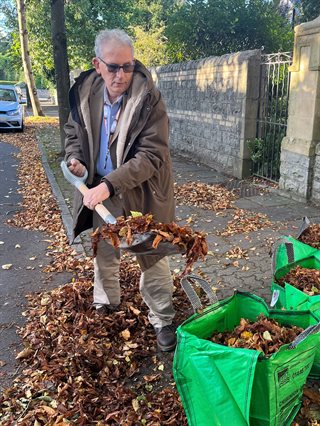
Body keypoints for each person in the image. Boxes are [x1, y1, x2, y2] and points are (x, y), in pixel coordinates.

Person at [64, 29, 176, 352]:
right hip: (100, 188)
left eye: (127, 66)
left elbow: (152, 155)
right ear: (97, 65)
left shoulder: (148, 97)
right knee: (104, 250)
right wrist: (77, 162)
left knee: (152, 254)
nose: (122, 75)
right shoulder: (85, 93)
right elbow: (74, 132)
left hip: (142, 192)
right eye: (113, 67)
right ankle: (106, 304)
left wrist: (108, 184)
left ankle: (163, 319)